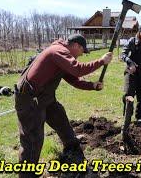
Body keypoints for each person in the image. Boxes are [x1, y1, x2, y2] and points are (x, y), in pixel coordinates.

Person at [14, 34, 113, 177]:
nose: (81, 55)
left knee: (59, 118)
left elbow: (74, 79)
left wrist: (92, 85)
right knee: (33, 140)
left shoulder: (62, 56)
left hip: (44, 97)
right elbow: (78, 69)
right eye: (82, 51)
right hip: (30, 99)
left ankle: (72, 149)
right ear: (76, 46)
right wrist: (101, 61)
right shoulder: (58, 51)